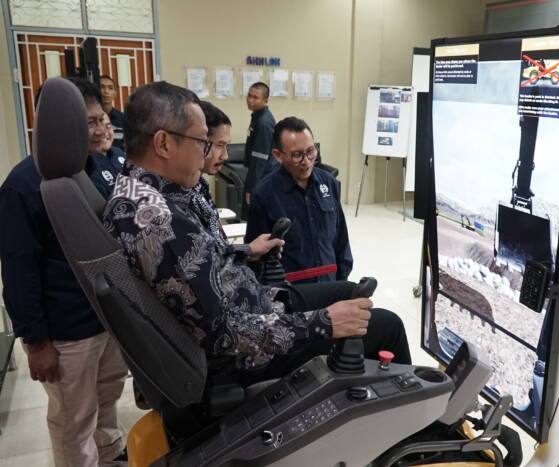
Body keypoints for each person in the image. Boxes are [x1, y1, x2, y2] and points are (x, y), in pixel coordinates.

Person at [103, 81, 410, 385]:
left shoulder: (141, 193)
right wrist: (325, 323)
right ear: (164, 144)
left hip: (255, 304)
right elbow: (223, 333)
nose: (205, 154)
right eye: (201, 142)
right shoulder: (160, 221)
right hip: (249, 354)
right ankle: (422, 423)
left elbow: (199, 262)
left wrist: (246, 251)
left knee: (347, 291)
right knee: (386, 325)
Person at [0, 77, 128, 467]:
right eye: (86, 122)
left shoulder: (100, 165)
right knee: (73, 418)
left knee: (107, 398)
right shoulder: (23, 185)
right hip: (66, 329)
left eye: (99, 119)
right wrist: (36, 342)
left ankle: (110, 454)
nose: (98, 129)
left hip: (110, 317)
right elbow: (18, 271)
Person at [246, 117, 353, 283]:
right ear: (278, 156)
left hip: (330, 284)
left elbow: (341, 239)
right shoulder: (263, 195)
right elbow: (255, 257)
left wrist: (343, 282)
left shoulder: (329, 183)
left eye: (311, 151)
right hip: (293, 293)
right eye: (297, 155)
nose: (306, 161)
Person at [191, 101, 231, 246]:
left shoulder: (200, 184)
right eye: (220, 145)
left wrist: (250, 250)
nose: (225, 156)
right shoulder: (181, 195)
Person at [242, 82, 276, 218]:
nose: (250, 100)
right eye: (249, 95)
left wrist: (251, 188)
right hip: (259, 174)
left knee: (254, 215)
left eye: (255, 97)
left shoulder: (263, 122)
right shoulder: (257, 116)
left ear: (265, 100)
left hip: (262, 176)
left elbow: (259, 159)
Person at [99, 75, 126, 151]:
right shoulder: (91, 119)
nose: (106, 91)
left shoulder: (123, 119)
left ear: (114, 93)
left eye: (110, 88)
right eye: (102, 87)